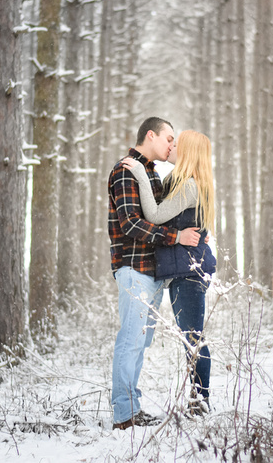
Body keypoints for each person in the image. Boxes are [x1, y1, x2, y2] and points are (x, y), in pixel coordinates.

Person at [108, 117, 202, 431]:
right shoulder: (125, 171)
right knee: (130, 340)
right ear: (151, 135)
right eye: (169, 139)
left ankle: (132, 407)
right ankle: (123, 414)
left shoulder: (150, 172)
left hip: (153, 271)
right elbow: (132, 225)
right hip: (134, 268)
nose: (172, 146)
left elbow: (160, 214)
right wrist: (175, 238)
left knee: (140, 342)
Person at [123, 130, 216, 415]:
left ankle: (201, 402)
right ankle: (197, 400)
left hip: (189, 272)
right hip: (182, 270)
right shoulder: (178, 181)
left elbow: (155, 216)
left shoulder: (189, 185)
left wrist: (139, 172)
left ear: (188, 152)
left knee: (193, 337)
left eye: (177, 144)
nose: (171, 146)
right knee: (190, 337)